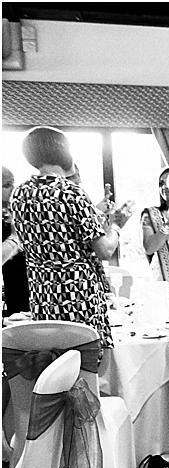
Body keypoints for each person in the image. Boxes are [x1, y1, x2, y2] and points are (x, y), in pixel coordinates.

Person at [8, 126, 126, 348]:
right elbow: (105, 250)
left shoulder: (19, 194)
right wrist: (117, 226)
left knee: (53, 361)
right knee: (86, 364)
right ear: (64, 152)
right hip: (77, 293)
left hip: (42, 291)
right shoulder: (71, 193)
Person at [141, 166, 169, 301]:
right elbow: (149, 248)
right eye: (161, 183)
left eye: (168, 183)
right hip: (163, 276)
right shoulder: (151, 215)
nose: (164, 187)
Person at [2, 166, 29, 316]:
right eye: (6, 185)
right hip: (14, 286)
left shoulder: (14, 210)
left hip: (27, 283)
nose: (13, 189)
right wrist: (14, 239)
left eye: (13, 183)